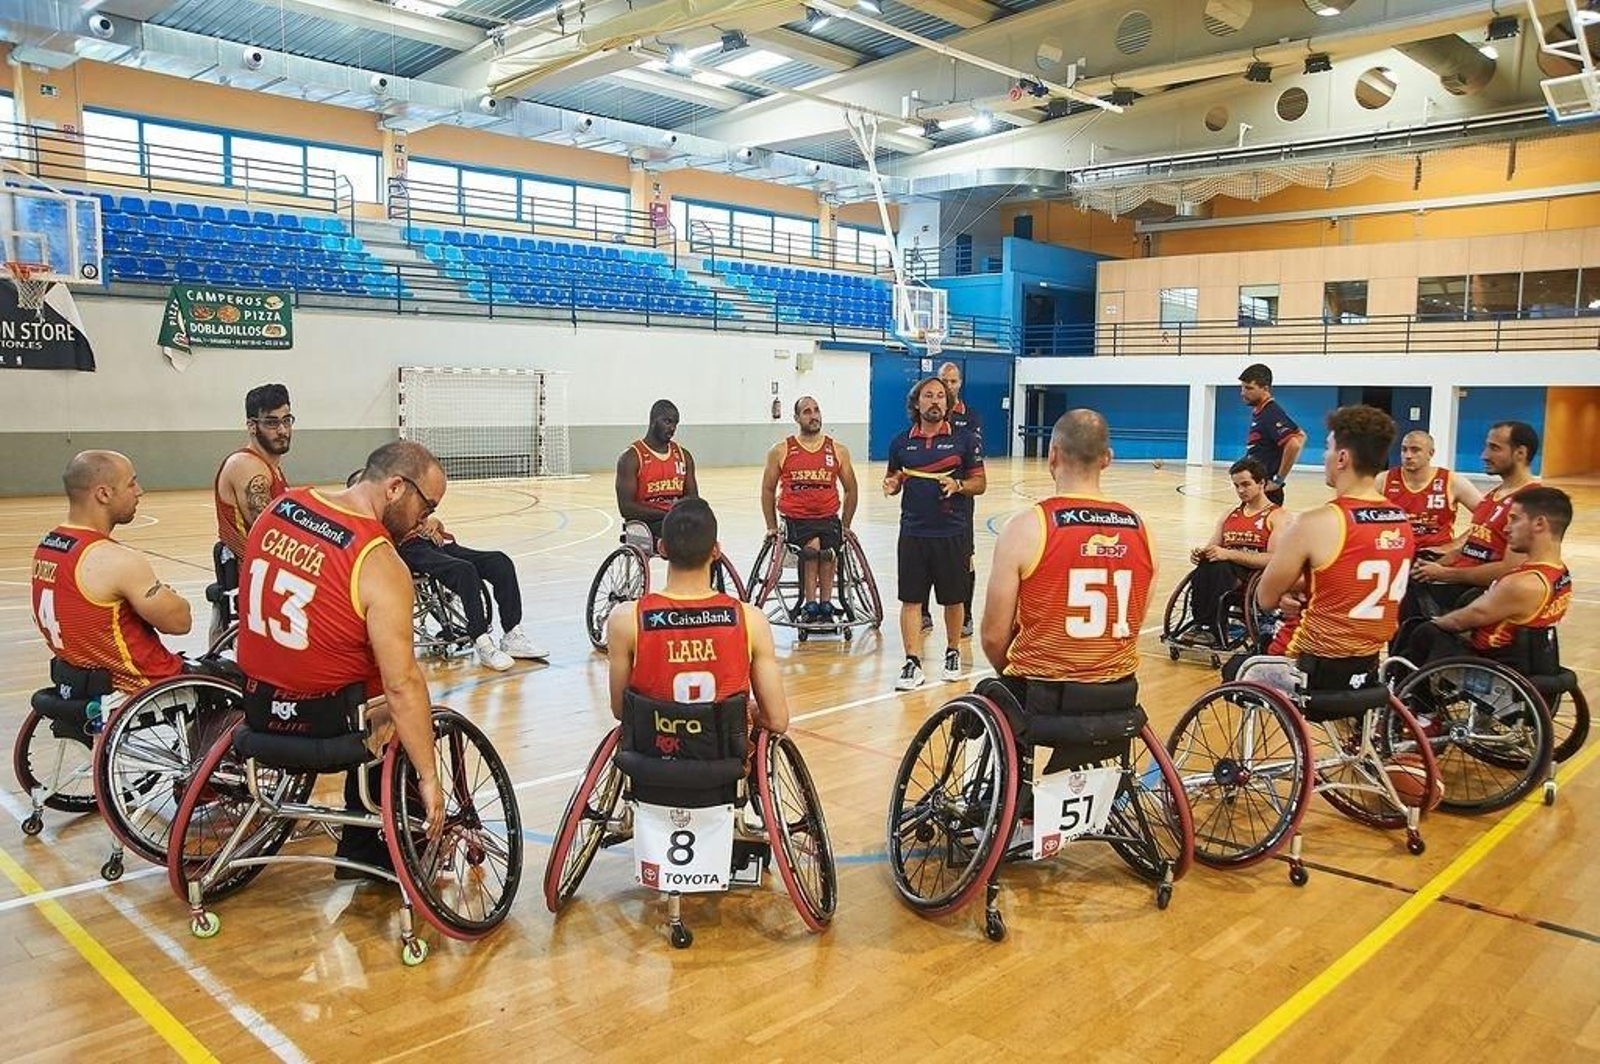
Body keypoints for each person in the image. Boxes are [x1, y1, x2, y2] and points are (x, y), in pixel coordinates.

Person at [237, 440, 444, 873]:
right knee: (412, 706)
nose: (423, 522)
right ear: (395, 488)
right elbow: (400, 684)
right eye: (425, 507)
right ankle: (375, 849)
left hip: (257, 708)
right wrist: (430, 778)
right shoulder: (381, 562)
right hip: (329, 726)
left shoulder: (281, 508)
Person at [981, 408, 1156, 710]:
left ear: (1053, 455)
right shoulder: (1141, 529)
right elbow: (1133, 619)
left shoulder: (1027, 526)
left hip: (1042, 693)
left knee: (989, 690)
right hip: (1118, 693)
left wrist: (1013, 679)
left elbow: (994, 638)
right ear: (1107, 458)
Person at [1256, 406, 1413, 688]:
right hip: (1367, 662)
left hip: (1308, 662)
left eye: (1327, 448)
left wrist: (1295, 590)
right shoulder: (1401, 521)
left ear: (1342, 457)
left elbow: (1265, 598)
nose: (1323, 456)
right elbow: (1349, 578)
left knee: (1236, 670)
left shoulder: (1315, 523)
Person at [607, 498, 788, 735]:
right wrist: (750, 711)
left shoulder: (625, 619)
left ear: (662, 548)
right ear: (716, 551)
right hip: (725, 763)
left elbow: (621, 710)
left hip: (651, 760)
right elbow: (776, 721)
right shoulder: (750, 619)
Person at [30, 451, 190, 695]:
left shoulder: (47, 546)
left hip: (82, 678)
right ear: (103, 494)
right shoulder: (115, 560)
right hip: (140, 685)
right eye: (131, 483)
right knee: (231, 678)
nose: (139, 491)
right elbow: (180, 623)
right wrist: (165, 596)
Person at [885, 376, 987, 690]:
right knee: (911, 600)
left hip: (952, 532)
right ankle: (912, 661)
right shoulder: (901, 443)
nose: (935, 401)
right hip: (913, 533)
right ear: (916, 403)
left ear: (949, 403)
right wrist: (891, 485)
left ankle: (953, 651)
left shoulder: (965, 440)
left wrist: (959, 485)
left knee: (953, 599)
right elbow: (893, 476)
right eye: (928, 395)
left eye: (941, 396)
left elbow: (979, 484)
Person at [1405, 487, 1572, 671]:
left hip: (1494, 666)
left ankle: (1406, 694)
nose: (1506, 529)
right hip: (1534, 660)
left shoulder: (1522, 583)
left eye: (1514, 519)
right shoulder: (1560, 573)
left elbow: (1459, 622)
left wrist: (1434, 621)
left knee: (1422, 630)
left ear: (1539, 524)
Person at [1412, 422, 1542, 618]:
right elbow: (1475, 544)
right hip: (1459, 588)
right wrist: (1441, 561)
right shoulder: (1493, 495)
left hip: (1479, 600)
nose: (1484, 455)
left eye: (1494, 448)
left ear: (1520, 453)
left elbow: (1509, 569)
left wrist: (1445, 574)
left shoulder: (1533, 501)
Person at [400, 515, 548, 671]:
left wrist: (434, 522)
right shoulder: (385, 499)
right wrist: (412, 527)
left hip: (438, 542)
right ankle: (482, 641)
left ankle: (512, 635)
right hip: (410, 547)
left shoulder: (414, 497)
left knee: (500, 562)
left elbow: (431, 521)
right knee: (464, 570)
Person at [760, 396, 859, 623]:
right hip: (797, 519)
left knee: (829, 550)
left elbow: (851, 490)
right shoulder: (781, 450)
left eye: (816, 410)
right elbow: (767, 490)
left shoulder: (838, 450)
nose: (813, 415)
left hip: (828, 517)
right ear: (796, 418)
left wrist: (846, 525)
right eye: (806, 411)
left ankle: (826, 603)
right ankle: (810, 602)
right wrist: (771, 527)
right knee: (812, 548)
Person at [212, 383, 293, 638]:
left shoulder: (271, 466)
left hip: (270, 572)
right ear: (252, 426)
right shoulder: (248, 467)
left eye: (286, 420)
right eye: (271, 422)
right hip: (256, 578)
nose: (282, 430)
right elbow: (272, 535)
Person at [1185, 456, 1284, 644]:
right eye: (1236, 486)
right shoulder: (1229, 515)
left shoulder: (1277, 516)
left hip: (1254, 575)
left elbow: (1273, 559)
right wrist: (1201, 554)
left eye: (1246, 484)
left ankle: (1210, 627)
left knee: (1219, 567)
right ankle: (1202, 624)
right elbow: (1212, 548)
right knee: (1207, 565)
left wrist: (1229, 554)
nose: (1240, 490)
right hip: (1223, 571)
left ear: (1261, 483)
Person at [921, 361, 982, 636]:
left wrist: (959, 483)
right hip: (925, 501)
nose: (949, 386)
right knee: (921, 557)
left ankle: (966, 615)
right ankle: (922, 612)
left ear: (960, 384)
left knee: (964, 557)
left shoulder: (971, 418)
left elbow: (973, 465)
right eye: (944, 381)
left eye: (954, 382)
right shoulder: (924, 415)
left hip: (960, 501)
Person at [1376, 430, 1483, 557]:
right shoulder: (1383, 480)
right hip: (1394, 552)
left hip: (1435, 556)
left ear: (1430, 453)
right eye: (1404, 450)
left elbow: (1487, 517)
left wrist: (1453, 547)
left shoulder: (1452, 481)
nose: (1408, 455)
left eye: (1415, 450)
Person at [615, 399, 698, 546]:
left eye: (675, 424)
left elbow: (693, 498)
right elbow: (626, 508)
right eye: (667, 421)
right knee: (680, 534)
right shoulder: (631, 457)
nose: (672, 428)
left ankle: (706, 568)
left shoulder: (684, 456)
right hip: (646, 523)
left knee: (706, 528)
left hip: (675, 520)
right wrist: (668, 514)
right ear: (653, 420)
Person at [1238, 363, 1304, 506]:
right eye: (1242, 387)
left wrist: (1278, 480)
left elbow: (1294, 444)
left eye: (1249, 388)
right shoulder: (1261, 411)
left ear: (1265, 389)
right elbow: (1301, 435)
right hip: (1257, 487)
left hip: (1266, 491)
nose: (1243, 392)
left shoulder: (1271, 413)